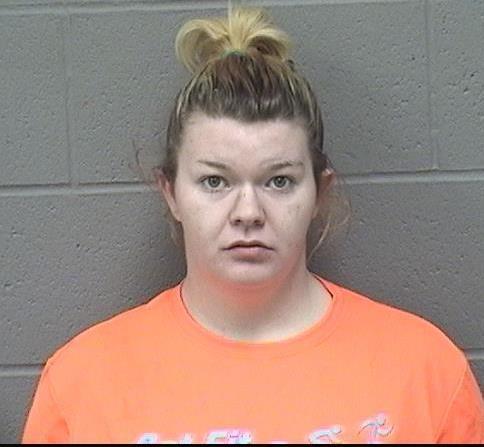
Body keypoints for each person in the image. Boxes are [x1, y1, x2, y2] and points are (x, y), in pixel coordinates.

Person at [22, 6, 483, 444]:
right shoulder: (82, 383)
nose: (248, 212)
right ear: (171, 192)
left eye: (279, 181)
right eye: (215, 181)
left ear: (319, 192)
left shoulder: (425, 372)